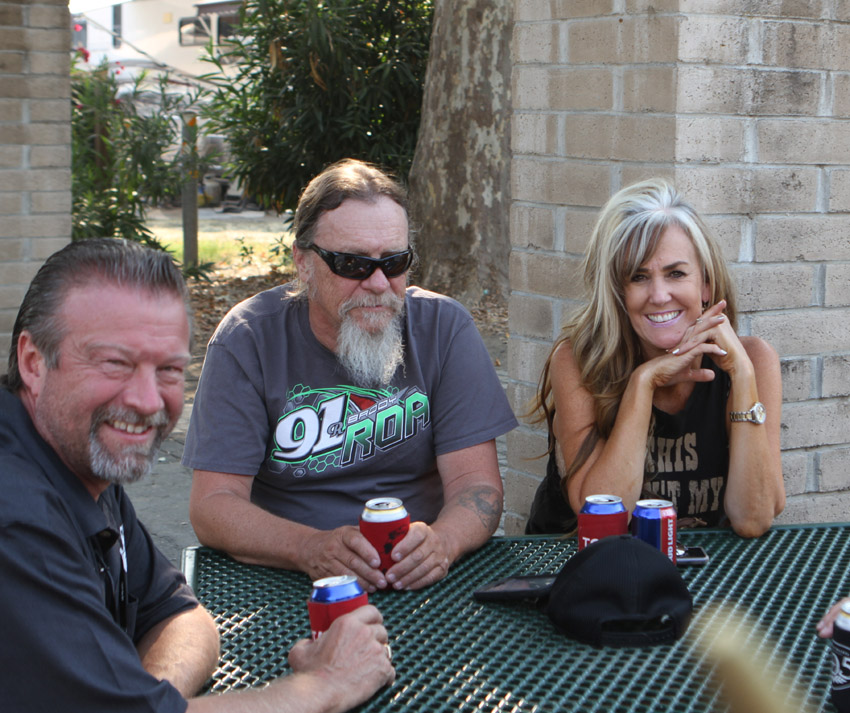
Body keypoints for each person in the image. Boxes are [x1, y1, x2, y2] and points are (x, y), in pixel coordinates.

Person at [0, 238, 394, 712]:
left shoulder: (75, 464)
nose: (147, 401)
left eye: (169, 369)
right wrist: (325, 685)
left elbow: (177, 613)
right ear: (33, 362)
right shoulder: (17, 516)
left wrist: (145, 699)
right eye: (114, 363)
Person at [184, 159, 517, 592]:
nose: (378, 283)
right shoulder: (247, 339)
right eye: (352, 264)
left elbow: (477, 486)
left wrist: (443, 543)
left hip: (418, 578)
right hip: (285, 578)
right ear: (303, 262)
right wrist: (307, 548)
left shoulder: (444, 328)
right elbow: (213, 505)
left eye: (394, 262)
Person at [525, 179, 785, 537]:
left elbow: (753, 518)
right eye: (639, 277)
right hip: (584, 562)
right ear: (618, 293)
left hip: (702, 565)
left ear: (706, 285)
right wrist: (644, 383)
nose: (660, 295)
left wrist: (742, 375)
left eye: (676, 273)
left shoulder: (752, 360)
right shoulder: (578, 361)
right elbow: (602, 517)